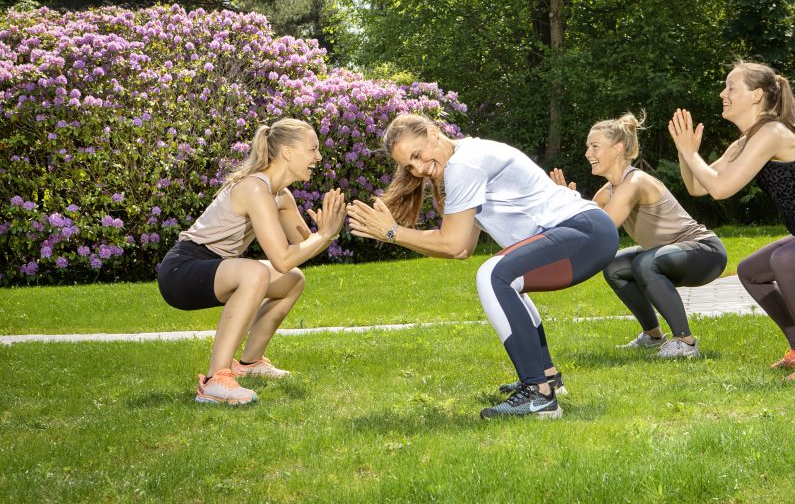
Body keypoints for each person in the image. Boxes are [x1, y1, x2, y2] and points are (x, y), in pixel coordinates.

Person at [347, 113, 619, 419]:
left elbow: (451, 243)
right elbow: (463, 247)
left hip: (583, 231)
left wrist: (392, 233)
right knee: (506, 279)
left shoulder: (465, 164)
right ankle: (546, 377)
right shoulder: (463, 162)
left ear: (433, 133)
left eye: (417, 155)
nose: (419, 168)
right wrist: (395, 234)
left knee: (493, 275)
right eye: (410, 166)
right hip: (588, 233)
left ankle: (538, 395)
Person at [669, 61, 795, 382]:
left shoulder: (772, 133)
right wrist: (686, 153)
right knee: (751, 271)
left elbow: (721, 189)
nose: (723, 93)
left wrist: (691, 155)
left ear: (756, 95)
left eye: (730, 87)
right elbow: (698, 187)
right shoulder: (745, 141)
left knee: (784, 258)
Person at [158, 119, 345, 405]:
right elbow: (281, 258)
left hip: (216, 267)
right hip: (183, 269)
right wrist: (323, 236)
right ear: (287, 152)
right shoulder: (255, 189)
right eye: (313, 149)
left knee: (293, 280)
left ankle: (249, 363)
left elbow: (300, 251)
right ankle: (214, 381)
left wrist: (326, 235)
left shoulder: (281, 196)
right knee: (257, 273)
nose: (318, 157)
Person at [550, 113, 726, 358]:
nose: (588, 153)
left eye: (595, 146)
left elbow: (603, 229)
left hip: (705, 252)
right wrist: (565, 202)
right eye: (588, 147)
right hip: (668, 255)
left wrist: (573, 208)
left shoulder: (635, 182)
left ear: (619, 148)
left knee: (646, 262)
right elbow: (583, 230)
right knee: (614, 265)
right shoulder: (608, 191)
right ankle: (653, 336)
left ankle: (685, 343)